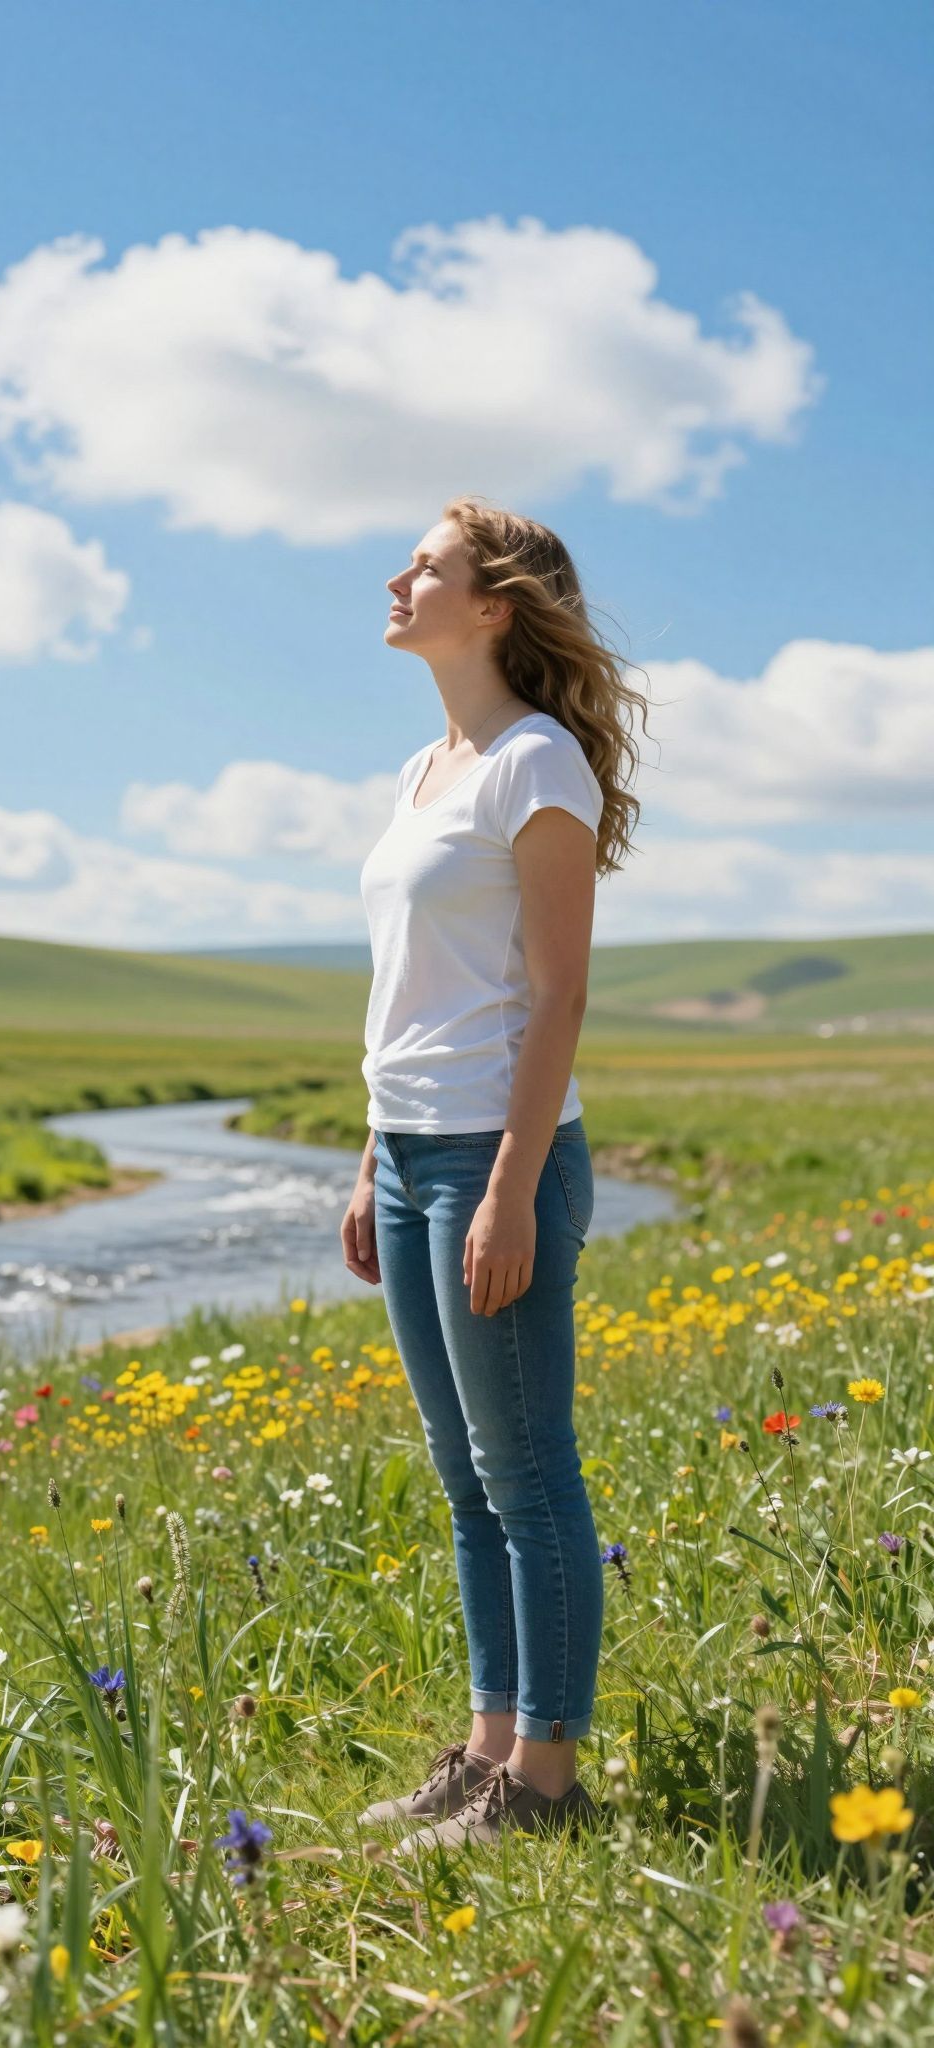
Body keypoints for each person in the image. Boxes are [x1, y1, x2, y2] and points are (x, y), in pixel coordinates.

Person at [341, 495, 648, 1849]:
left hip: (493, 1157)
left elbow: (559, 994)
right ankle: (485, 1752)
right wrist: (371, 1159)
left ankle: (545, 1783)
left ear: (494, 606)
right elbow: (410, 988)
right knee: (463, 1474)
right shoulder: (426, 769)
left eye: (427, 565)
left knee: (525, 1472)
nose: (397, 579)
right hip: (412, 1153)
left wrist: (515, 1185)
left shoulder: (537, 764)